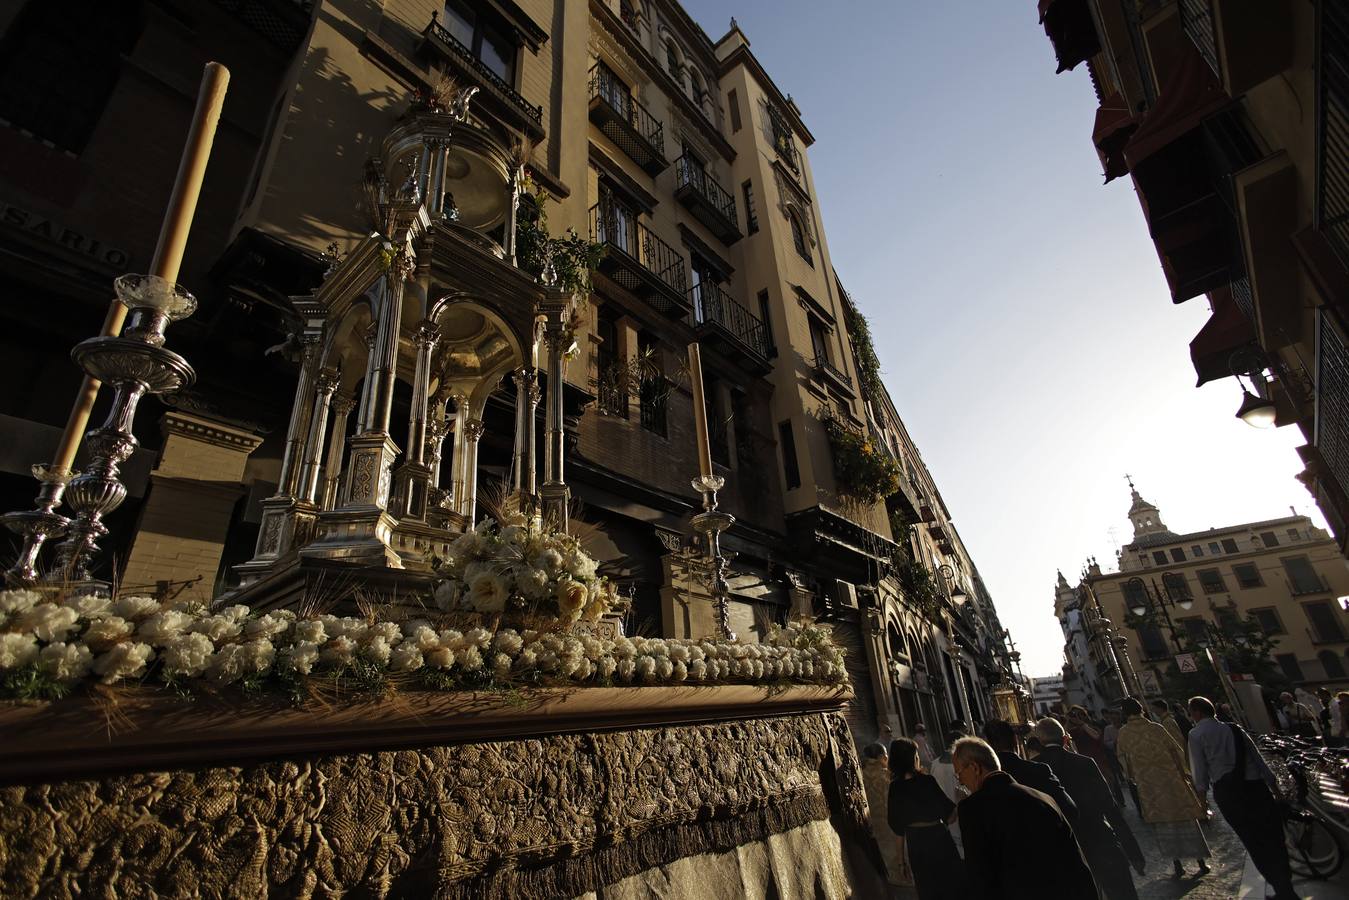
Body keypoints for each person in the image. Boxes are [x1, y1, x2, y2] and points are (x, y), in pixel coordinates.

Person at [952, 736, 1097, 900]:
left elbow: (981, 875)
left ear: (974, 767)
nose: (961, 782)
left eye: (959, 774)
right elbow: (1076, 861)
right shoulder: (1043, 798)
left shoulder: (972, 808)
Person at [1187, 695, 1296, 900]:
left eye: (1191, 712)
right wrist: (1275, 789)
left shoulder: (1195, 735)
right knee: (1273, 837)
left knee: (1253, 840)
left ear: (1197, 713)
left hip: (1229, 794)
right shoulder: (1235, 729)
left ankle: (1279, 886)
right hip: (1257, 788)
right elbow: (1258, 759)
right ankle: (1286, 885)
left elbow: (1199, 773)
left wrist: (1202, 804)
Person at [1031, 717, 1144, 900]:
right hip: (1100, 839)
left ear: (1041, 742)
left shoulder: (1035, 769)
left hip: (1064, 850)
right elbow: (1110, 808)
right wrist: (1133, 852)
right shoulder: (1085, 763)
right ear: (1066, 739)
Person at [1115, 696, 1210, 879]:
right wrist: (1183, 772)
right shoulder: (1156, 728)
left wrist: (1132, 776)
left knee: (1163, 825)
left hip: (1149, 785)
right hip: (1172, 780)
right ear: (1141, 709)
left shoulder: (1124, 733)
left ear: (1125, 713)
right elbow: (1176, 750)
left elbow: (1122, 758)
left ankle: (1177, 865)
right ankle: (1201, 862)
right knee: (1186, 819)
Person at [886, 738, 967, 900]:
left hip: (916, 843)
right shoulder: (927, 781)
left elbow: (898, 830)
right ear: (913, 758)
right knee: (952, 887)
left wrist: (901, 862)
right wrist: (960, 800)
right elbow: (950, 818)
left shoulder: (895, 788)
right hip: (939, 838)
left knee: (928, 889)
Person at [981, 719, 1076, 824]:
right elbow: (1070, 809)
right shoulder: (1040, 770)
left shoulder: (983, 781)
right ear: (1015, 741)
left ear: (988, 747)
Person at [861, 742, 906, 892]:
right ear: (881, 757)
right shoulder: (887, 776)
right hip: (891, 826)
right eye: (886, 755)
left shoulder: (860, 776)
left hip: (872, 826)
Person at [1069, 705, 1125, 806]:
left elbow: (1096, 736)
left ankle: (1117, 801)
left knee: (1111, 782)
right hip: (1085, 759)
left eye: (1079, 714)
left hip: (1100, 758)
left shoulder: (1094, 724)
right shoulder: (1072, 730)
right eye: (1074, 715)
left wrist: (1082, 724)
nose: (1077, 717)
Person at [1152, 698, 1190, 772]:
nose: (1154, 711)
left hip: (1180, 757)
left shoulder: (1167, 722)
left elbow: (1177, 740)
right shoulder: (1167, 719)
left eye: (1154, 708)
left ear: (1160, 708)